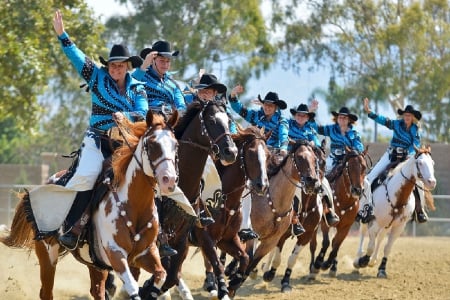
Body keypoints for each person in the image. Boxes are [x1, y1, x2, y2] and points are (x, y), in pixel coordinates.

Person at [49, 10, 148, 249]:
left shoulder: (139, 88)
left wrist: (125, 116)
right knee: (87, 175)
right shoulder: (96, 76)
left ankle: (161, 233)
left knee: (155, 173)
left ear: (128, 67)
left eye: (120, 66)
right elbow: (78, 58)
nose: (115, 69)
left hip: (127, 143)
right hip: (98, 140)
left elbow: (143, 113)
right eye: (112, 65)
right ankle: (74, 228)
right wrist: (63, 35)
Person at [228, 88, 289, 241]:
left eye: (271, 105)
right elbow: (239, 109)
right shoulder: (256, 115)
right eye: (265, 104)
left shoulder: (282, 121)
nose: (267, 107)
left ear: (276, 107)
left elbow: (283, 136)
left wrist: (283, 149)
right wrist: (233, 96)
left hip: (274, 155)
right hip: (257, 155)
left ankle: (293, 219)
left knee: (289, 180)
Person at [357, 98, 426, 223]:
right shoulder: (396, 124)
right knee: (370, 177)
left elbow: (414, 146)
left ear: (413, 117)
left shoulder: (415, 130)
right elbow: (384, 120)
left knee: (418, 182)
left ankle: (420, 211)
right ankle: (364, 208)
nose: (407, 117)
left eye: (409, 115)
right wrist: (370, 112)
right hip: (390, 155)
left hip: (406, 159)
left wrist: (409, 154)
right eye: (405, 115)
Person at [288, 103, 340, 233]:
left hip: (306, 163)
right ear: (295, 116)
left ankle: (329, 211)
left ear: (307, 118)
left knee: (323, 182)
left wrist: (312, 143)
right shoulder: (288, 124)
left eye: (303, 115)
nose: (300, 117)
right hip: (289, 160)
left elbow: (316, 143)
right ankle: (293, 217)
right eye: (298, 115)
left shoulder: (310, 129)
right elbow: (284, 138)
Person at [132, 40, 187, 116]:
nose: (165, 64)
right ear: (153, 60)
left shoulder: (173, 84)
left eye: (168, 61)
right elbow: (129, 83)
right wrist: (144, 65)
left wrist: (179, 115)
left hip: (169, 119)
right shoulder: (141, 76)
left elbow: (181, 105)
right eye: (162, 60)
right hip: (146, 118)